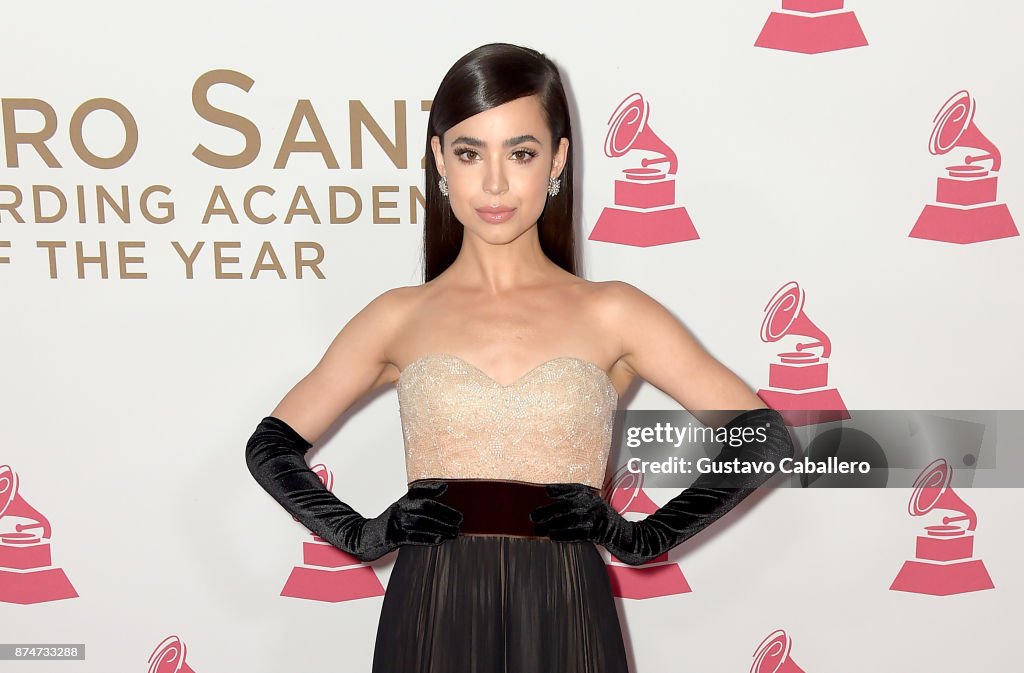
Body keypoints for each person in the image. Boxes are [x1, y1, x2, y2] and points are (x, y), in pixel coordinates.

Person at [245, 42, 795, 672]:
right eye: (470, 153)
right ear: (439, 161)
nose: (496, 182)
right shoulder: (397, 315)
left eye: (522, 152)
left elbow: (764, 439)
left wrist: (642, 537)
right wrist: (366, 534)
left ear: (557, 159)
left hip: (568, 606)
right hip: (431, 607)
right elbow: (271, 447)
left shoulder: (613, 312)